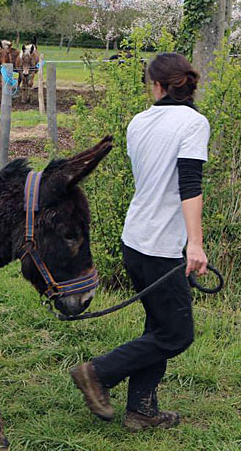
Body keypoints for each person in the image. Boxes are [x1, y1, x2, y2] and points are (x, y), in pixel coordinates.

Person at [70, 53, 210, 432]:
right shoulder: (194, 124)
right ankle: (97, 372)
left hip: (135, 239)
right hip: (163, 246)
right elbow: (189, 185)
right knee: (176, 335)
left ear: (158, 86)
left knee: (158, 328)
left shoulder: (139, 122)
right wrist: (194, 244)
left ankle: (142, 410)